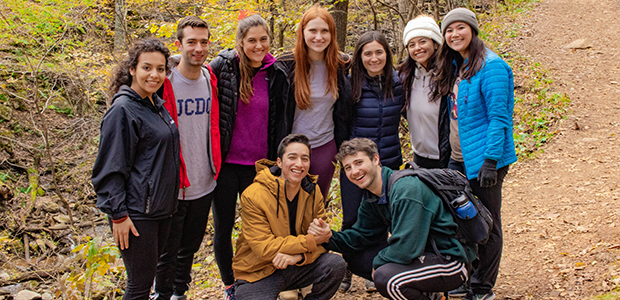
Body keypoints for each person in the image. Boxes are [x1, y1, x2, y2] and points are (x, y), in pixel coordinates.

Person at [311, 138, 470, 300]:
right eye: (348, 167)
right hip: (421, 256)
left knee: (388, 280)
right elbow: (361, 236)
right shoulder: (373, 195)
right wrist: (328, 237)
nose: (354, 171)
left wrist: (379, 263)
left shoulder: (406, 190)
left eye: (359, 162)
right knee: (358, 259)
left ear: (375, 159)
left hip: (449, 261)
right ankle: (432, 297)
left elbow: (407, 247)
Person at [433, 7, 517, 300]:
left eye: (460, 28)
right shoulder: (461, 64)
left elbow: (499, 117)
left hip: (484, 160)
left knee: (489, 223)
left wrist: (491, 161)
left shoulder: (491, 66)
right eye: (449, 30)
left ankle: (483, 288)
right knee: (464, 220)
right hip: (460, 157)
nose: (454, 34)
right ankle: (467, 278)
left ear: (473, 30)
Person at [92, 39, 180, 300]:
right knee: (139, 286)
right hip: (136, 212)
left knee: (146, 281)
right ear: (132, 69)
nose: (154, 75)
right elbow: (110, 168)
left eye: (161, 69)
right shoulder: (122, 110)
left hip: (161, 209)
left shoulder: (155, 104)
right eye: (147, 68)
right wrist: (118, 215)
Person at [209, 14, 283, 300]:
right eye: (251, 40)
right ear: (240, 42)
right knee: (224, 227)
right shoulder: (222, 68)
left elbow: (279, 117)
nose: (258, 45)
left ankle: (256, 278)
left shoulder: (275, 72)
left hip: (260, 167)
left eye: (263, 39)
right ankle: (230, 285)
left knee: (261, 227)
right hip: (227, 166)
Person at [151, 16, 221, 300]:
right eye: (191, 42)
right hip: (172, 181)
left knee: (189, 246)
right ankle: (162, 293)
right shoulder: (164, 83)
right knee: (166, 249)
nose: (198, 48)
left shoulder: (209, 78)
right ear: (179, 45)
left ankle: (180, 292)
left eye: (204, 42)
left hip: (204, 178)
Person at [231, 133, 346, 300]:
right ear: (279, 162)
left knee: (334, 265)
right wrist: (310, 241)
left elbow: (324, 241)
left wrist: (298, 257)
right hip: (258, 272)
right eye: (292, 157)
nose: (299, 164)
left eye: (305, 159)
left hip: (295, 266)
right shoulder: (253, 195)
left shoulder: (312, 192)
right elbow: (264, 248)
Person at [338, 30, 404, 293]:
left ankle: (373, 267)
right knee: (352, 217)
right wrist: (344, 159)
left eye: (379, 52)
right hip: (354, 165)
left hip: (387, 162)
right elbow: (341, 121)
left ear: (387, 54)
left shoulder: (399, 82)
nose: (374, 58)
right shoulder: (350, 84)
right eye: (368, 53)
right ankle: (347, 265)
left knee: (382, 217)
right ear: (359, 56)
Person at [274, 6, 352, 203]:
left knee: (316, 206)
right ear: (303, 33)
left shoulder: (340, 66)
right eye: (313, 30)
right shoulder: (285, 66)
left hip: (325, 148)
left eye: (324, 31)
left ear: (332, 34)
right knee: (287, 207)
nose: (319, 37)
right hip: (291, 149)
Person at [399, 15, 450, 169]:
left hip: (446, 156)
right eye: (412, 44)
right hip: (419, 156)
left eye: (423, 41)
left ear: (435, 43)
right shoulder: (405, 75)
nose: (418, 48)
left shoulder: (450, 72)